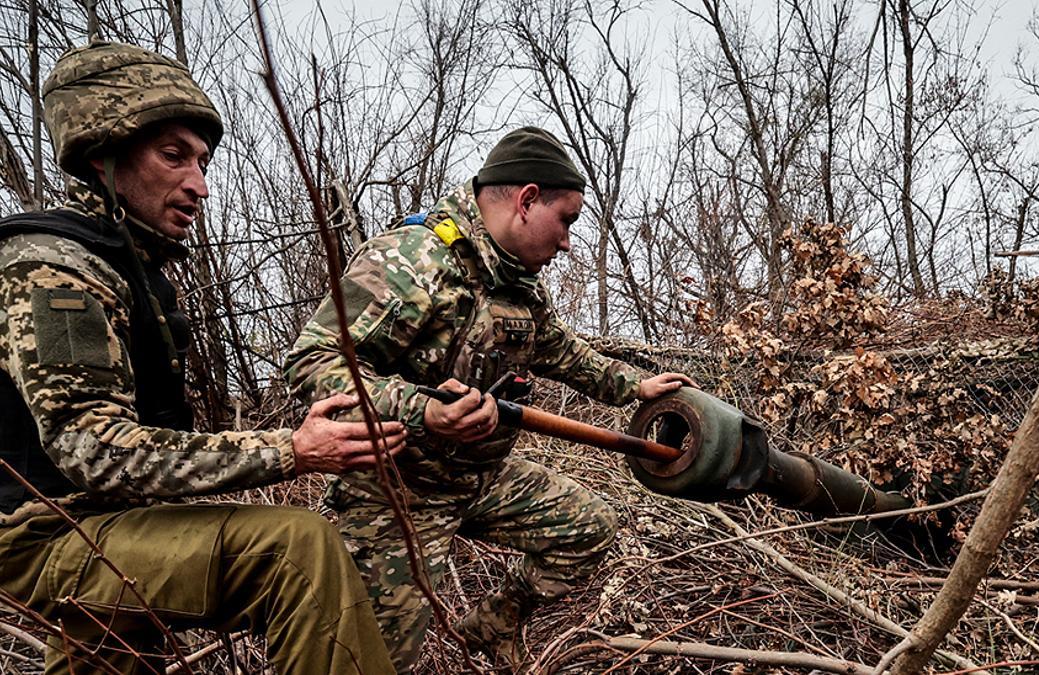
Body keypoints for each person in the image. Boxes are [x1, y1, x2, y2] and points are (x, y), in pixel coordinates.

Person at [0, 41, 406, 675]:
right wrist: (289, 450)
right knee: (297, 548)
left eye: (204, 162)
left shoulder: (126, 268)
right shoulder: (55, 270)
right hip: (43, 536)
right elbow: (92, 448)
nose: (200, 185)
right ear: (103, 156)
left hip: (102, 528)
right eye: (173, 157)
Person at [285, 126, 696, 670]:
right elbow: (314, 363)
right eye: (567, 220)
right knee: (374, 661)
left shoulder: (517, 282)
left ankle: (494, 623)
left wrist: (632, 385)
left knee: (589, 526)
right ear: (527, 200)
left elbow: (558, 349)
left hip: (479, 479)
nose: (569, 241)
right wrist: (425, 410)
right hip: (399, 495)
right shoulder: (414, 260)